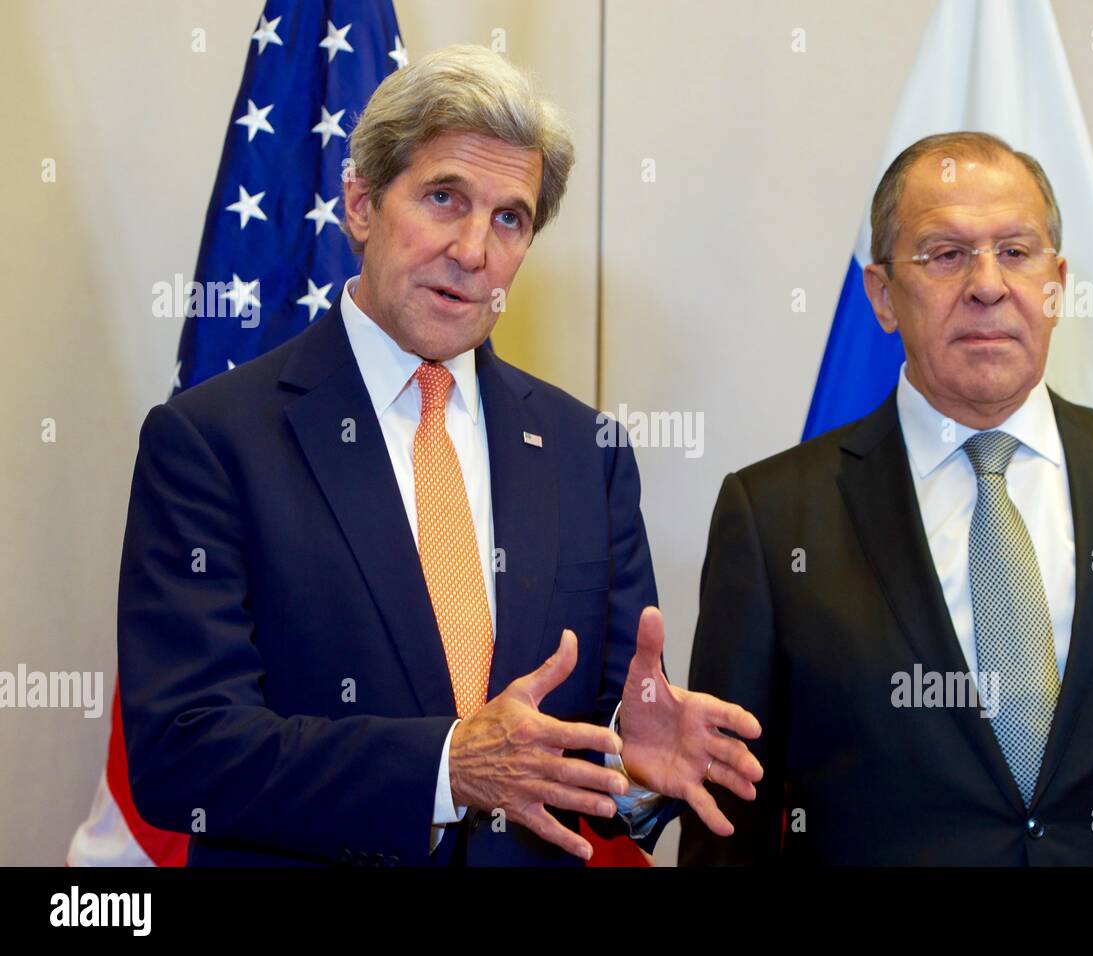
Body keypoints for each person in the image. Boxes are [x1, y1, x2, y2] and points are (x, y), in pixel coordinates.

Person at [118, 44, 761, 867]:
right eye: (443, 198)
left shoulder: (582, 451)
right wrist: (445, 768)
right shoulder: (212, 440)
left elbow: (604, 731)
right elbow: (185, 752)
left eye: (509, 218)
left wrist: (634, 766)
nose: (472, 251)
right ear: (359, 203)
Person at [679, 131, 1093, 865]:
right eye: (945, 254)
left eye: (1016, 252)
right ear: (881, 296)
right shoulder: (774, 516)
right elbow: (728, 825)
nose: (987, 285)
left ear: (1057, 283)